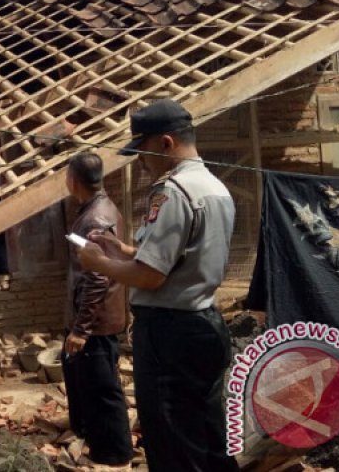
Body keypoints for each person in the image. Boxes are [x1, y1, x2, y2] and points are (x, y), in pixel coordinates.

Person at [77, 99, 239, 472]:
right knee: (210, 435)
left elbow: (151, 276)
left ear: (166, 143)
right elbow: (187, 256)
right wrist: (126, 250)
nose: (141, 161)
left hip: (171, 333)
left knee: (173, 442)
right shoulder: (215, 187)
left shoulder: (172, 192)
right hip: (205, 325)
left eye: (143, 150)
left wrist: (99, 262)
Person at [62, 152, 133, 470]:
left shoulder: (95, 218)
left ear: (73, 181)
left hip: (98, 321)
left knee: (104, 388)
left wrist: (81, 329)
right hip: (98, 318)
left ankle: (116, 453)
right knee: (89, 382)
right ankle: (95, 440)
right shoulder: (94, 209)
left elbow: (97, 277)